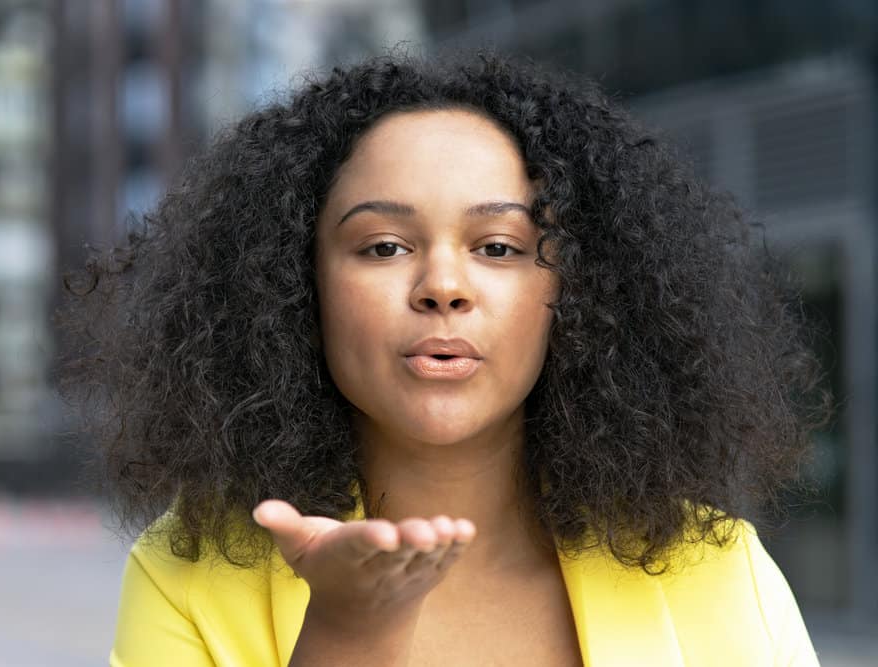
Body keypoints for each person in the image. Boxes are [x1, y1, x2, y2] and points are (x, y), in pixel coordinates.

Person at [58, 48, 834, 666]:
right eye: (384, 246)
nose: (442, 287)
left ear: (581, 288)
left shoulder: (721, 571)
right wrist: (348, 633)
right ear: (297, 284)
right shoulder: (184, 576)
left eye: (498, 246)